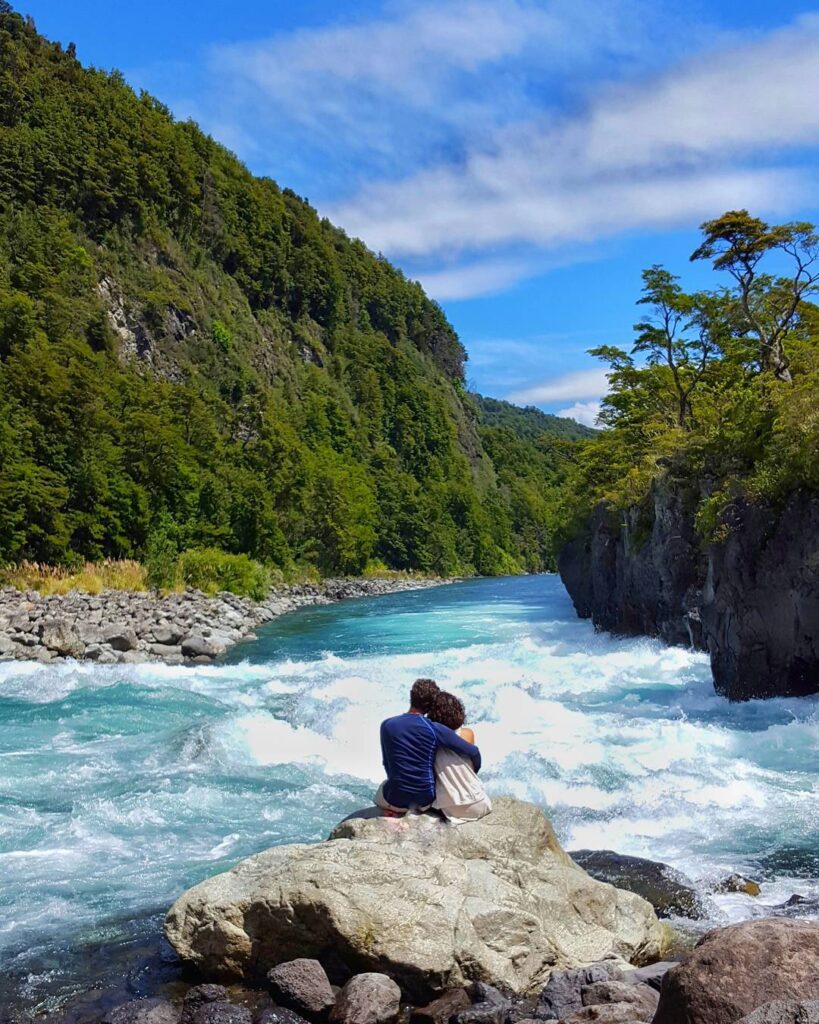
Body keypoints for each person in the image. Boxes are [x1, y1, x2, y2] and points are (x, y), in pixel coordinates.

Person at [376, 678, 481, 815]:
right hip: (425, 800)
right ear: (432, 705)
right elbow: (473, 751)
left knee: (382, 788)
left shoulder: (387, 725)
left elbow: (387, 764)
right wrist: (474, 770)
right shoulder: (434, 728)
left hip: (395, 799)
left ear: (411, 695)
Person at [427, 690, 492, 823]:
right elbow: (473, 768)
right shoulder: (467, 734)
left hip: (450, 809)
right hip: (480, 803)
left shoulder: (430, 740)